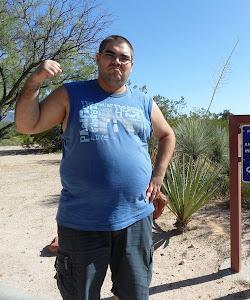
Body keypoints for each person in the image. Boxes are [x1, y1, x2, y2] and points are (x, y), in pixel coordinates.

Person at [15, 35, 176, 300]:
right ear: (98, 58)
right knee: (81, 294)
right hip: (82, 222)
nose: (117, 61)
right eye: (110, 55)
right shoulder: (72, 94)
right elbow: (26, 125)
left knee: (135, 293)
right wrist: (35, 82)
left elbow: (167, 135)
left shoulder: (144, 102)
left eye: (124, 58)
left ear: (132, 65)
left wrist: (158, 175)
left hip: (135, 217)